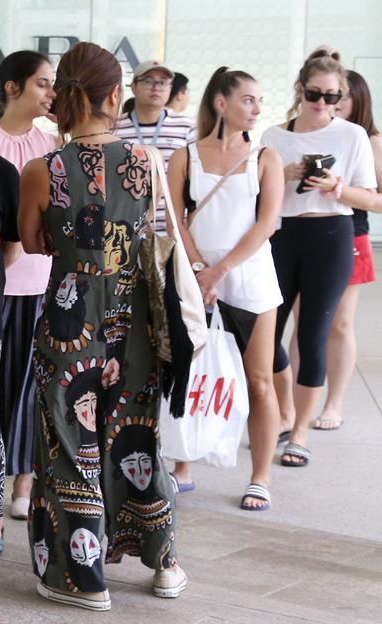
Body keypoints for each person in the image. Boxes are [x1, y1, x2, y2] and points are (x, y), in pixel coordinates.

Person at [19, 41, 187, 612]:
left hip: (70, 313)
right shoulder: (146, 162)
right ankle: (163, 560)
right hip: (132, 315)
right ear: (116, 95)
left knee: (69, 434)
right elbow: (144, 230)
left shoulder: (43, 169)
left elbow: (33, 241)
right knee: (135, 429)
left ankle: (82, 578)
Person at [166, 67, 283, 510]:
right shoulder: (186, 156)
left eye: (258, 100)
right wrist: (198, 268)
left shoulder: (264, 157)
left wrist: (218, 272)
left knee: (258, 380)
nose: (256, 108)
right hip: (194, 280)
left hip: (250, 283)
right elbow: (176, 221)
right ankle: (183, 465)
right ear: (221, 103)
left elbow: (266, 223)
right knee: (190, 374)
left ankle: (260, 476)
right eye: (248, 100)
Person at [262, 51, 380, 467]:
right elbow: (256, 197)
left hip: (331, 233)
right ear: (300, 89)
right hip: (282, 235)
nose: (322, 103)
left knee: (313, 334)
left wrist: (336, 187)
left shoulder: (352, 136)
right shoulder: (275, 137)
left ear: (342, 96)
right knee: (266, 332)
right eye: (315, 94)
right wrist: (283, 175)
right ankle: (286, 410)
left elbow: (372, 199)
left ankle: (299, 431)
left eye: (332, 97)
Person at [0, 49, 55, 524]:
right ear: (12, 88)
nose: (51, 92)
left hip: (37, 281)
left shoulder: (52, 144)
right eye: (43, 83)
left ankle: (22, 483)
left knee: (27, 386)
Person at [313, 69, 382, 431]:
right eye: (324, 94)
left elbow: (379, 200)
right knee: (303, 326)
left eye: (340, 96)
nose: (330, 103)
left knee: (339, 323)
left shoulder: (369, 139)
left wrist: (341, 190)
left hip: (350, 235)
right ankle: (293, 406)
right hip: (305, 234)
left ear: (357, 99)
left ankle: (334, 403)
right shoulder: (308, 130)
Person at [114, 60, 197, 233]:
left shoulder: (187, 126)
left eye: (163, 82)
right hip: (125, 230)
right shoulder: (114, 128)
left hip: (173, 230)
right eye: (148, 81)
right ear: (133, 86)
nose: (156, 87)